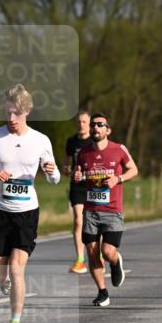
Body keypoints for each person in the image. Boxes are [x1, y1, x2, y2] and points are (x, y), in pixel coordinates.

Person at [0, 84, 60, 323]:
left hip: (27, 212)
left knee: (18, 268)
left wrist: (52, 173)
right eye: (7, 112)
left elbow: (55, 178)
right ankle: (5, 281)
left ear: (27, 111)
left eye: (16, 114)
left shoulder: (41, 140)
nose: (10, 119)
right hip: (0, 212)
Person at [73, 113, 138, 307]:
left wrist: (118, 179)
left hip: (112, 210)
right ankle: (102, 292)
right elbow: (78, 173)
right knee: (92, 253)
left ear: (107, 130)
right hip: (90, 211)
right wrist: (77, 176)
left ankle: (116, 262)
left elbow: (134, 170)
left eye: (100, 124)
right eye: (93, 124)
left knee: (107, 251)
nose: (95, 127)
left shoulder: (118, 149)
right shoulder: (83, 153)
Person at [63, 110, 91, 273]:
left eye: (84, 122)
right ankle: (80, 260)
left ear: (89, 124)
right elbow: (65, 167)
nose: (81, 124)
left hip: (94, 185)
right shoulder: (71, 142)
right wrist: (69, 171)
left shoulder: (94, 142)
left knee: (94, 221)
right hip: (77, 186)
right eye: (79, 122)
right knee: (79, 221)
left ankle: (98, 254)